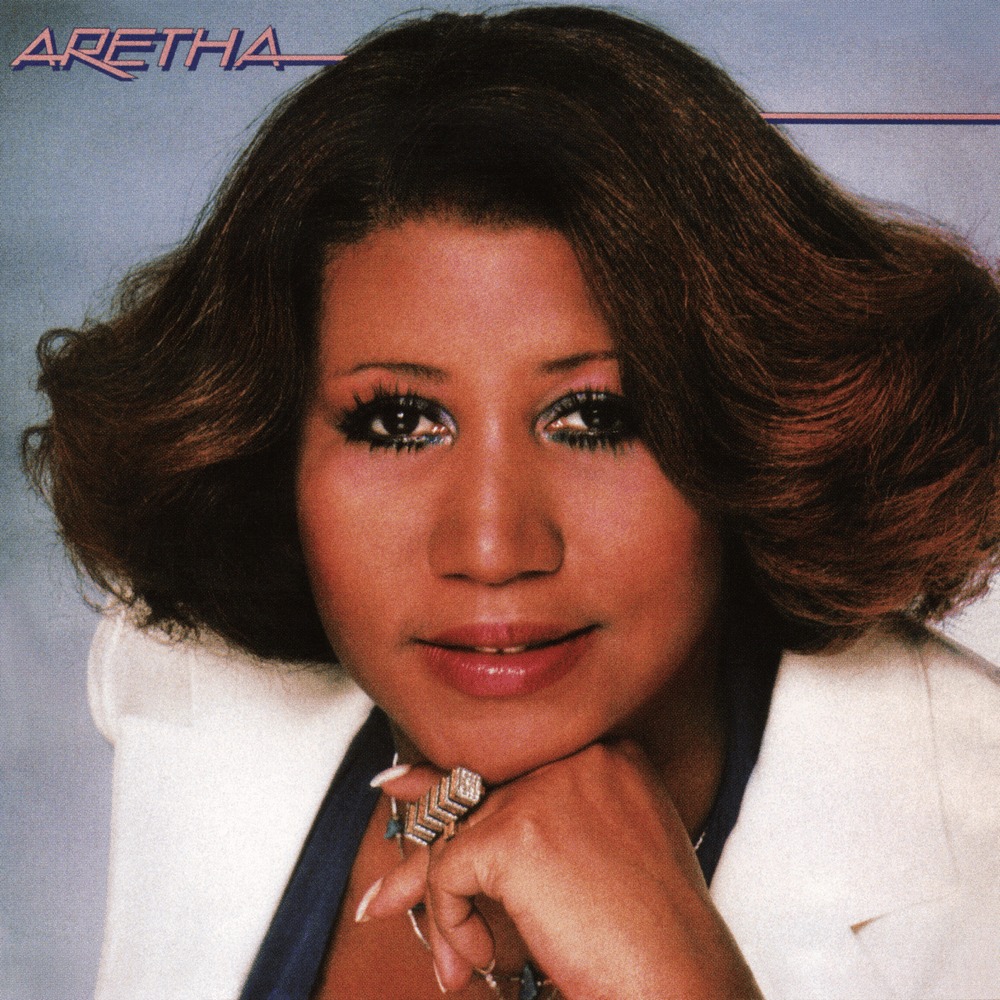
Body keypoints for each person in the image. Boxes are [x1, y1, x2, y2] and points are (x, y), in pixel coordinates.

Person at [23, 6, 1000, 999]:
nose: (492, 546)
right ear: (273, 446)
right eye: (398, 421)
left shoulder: (980, 855)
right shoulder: (180, 693)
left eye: (594, 418)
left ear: (755, 428)